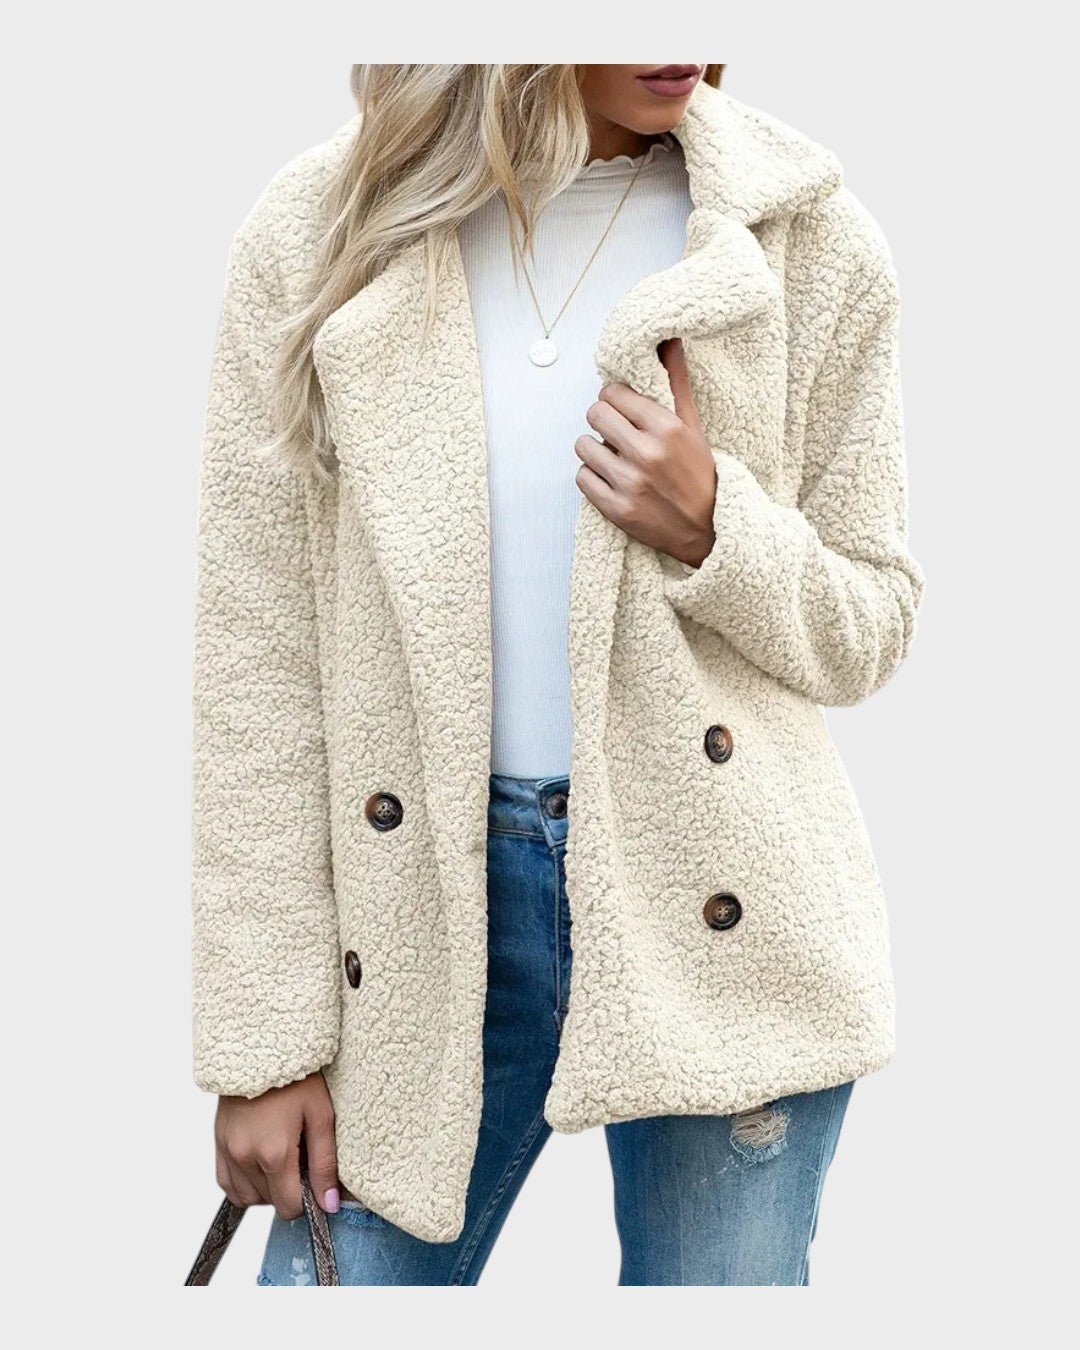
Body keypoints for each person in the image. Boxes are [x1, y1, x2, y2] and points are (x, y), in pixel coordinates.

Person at [192, 63, 923, 1285]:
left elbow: (874, 618)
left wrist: (716, 526)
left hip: (726, 917)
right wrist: (264, 1045)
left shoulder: (803, 235)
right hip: (420, 914)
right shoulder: (326, 231)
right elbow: (257, 666)